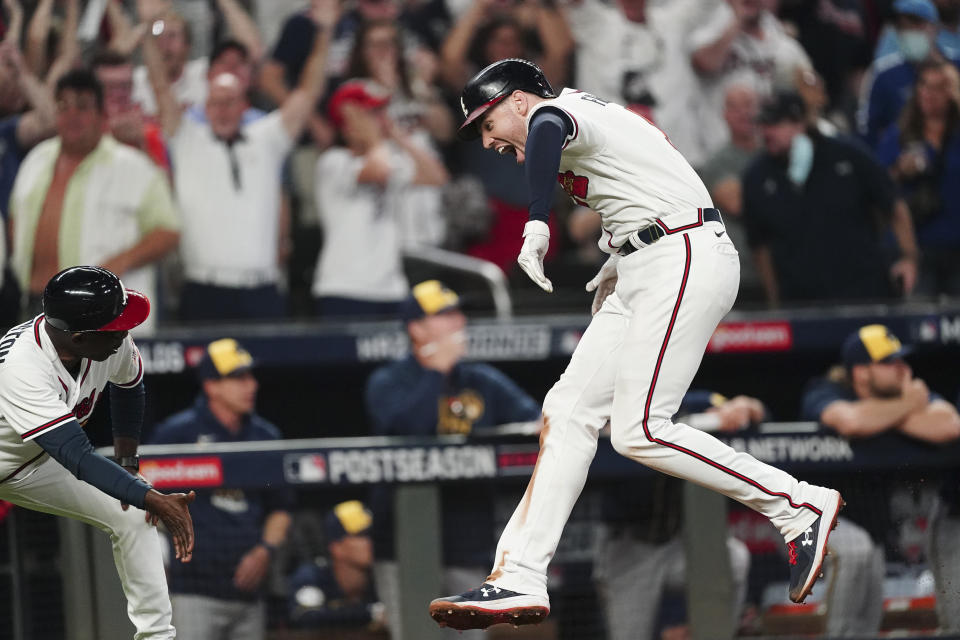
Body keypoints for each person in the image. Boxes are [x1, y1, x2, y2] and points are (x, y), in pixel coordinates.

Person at [428, 58, 844, 631]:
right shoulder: (581, 117)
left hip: (682, 253)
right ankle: (519, 574)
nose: (497, 143)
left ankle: (798, 504)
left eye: (491, 126)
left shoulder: (556, 112)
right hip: (648, 258)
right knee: (567, 410)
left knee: (641, 430)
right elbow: (634, 188)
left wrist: (538, 222)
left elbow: (547, 129)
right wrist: (615, 258)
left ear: (518, 101)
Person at [0, 265, 195, 639]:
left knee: (134, 515)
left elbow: (130, 386)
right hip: (46, 454)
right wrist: (153, 497)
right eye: (115, 326)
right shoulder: (22, 366)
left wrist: (129, 466)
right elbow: (77, 456)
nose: (125, 332)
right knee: (143, 502)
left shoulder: (106, 339)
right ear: (77, 337)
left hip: (36, 460)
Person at [143, 0, 337, 321]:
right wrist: (150, 33)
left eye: (230, 102)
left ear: (244, 105)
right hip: (205, 291)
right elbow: (160, 85)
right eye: (215, 103)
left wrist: (325, 31)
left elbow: (308, 92)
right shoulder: (187, 138)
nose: (222, 110)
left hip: (262, 292)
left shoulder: (267, 138)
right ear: (204, 105)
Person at [365, 280, 540, 638]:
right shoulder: (388, 381)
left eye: (458, 313)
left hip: (467, 540)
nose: (459, 322)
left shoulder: (481, 380)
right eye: (444, 315)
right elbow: (409, 429)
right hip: (404, 546)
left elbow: (534, 421)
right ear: (416, 328)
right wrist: (435, 373)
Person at [800, 325, 960, 636]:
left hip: (863, 522)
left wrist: (890, 413)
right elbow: (850, 420)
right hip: (807, 512)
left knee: (866, 621)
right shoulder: (825, 389)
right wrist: (908, 407)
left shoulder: (904, 394)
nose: (903, 369)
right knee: (855, 552)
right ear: (861, 373)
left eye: (903, 360)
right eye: (890, 362)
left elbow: (949, 425)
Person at [7, 68, 181, 333]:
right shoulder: (36, 159)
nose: (72, 115)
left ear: (102, 115)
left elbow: (168, 232)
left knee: (96, 375)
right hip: (31, 305)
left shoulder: (133, 167)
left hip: (97, 309)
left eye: (83, 107)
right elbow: (14, 218)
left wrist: (118, 262)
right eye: (63, 106)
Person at [148, 337, 295, 640]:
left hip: (250, 594)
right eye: (237, 378)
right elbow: (146, 498)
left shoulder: (264, 436)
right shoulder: (177, 434)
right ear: (211, 385)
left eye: (250, 376)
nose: (250, 385)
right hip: (193, 592)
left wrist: (264, 551)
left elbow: (281, 508)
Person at [594, 391, 760, 640]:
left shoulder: (688, 404)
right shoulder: (613, 407)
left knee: (734, 558)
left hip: (675, 545)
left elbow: (757, 410)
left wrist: (743, 406)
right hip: (628, 549)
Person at [742, 90, 919, 306]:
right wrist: (774, 299)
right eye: (763, 124)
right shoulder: (757, 176)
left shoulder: (847, 155)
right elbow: (760, 247)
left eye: (775, 124)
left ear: (799, 124)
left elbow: (893, 204)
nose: (765, 132)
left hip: (864, 292)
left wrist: (909, 258)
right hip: (801, 301)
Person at [311, 83, 449, 318]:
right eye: (370, 115)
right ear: (347, 123)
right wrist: (377, 138)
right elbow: (379, 171)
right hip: (345, 288)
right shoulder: (334, 161)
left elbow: (436, 177)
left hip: (390, 289)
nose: (379, 120)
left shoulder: (385, 154)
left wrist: (397, 135)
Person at [875, 59, 960, 296]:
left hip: (956, 244)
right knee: (919, 322)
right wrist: (900, 171)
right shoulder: (899, 133)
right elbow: (879, 186)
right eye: (923, 85)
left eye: (938, 87)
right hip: (916, 248)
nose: (928, 93)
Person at [858, 0, 960, 148]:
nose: (909, 31)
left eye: (917, 24)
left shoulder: (956, 66)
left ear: (935, 28)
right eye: (902, 26)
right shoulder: (884, 74)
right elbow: (869, 131)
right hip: (901, 156)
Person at [287, 500, 385, 630]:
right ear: (336, 547)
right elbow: (307, 617)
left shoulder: (384, 577)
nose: (370, 542)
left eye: (371, 535)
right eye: (361, 536)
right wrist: (371, 613)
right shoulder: (313, 575)